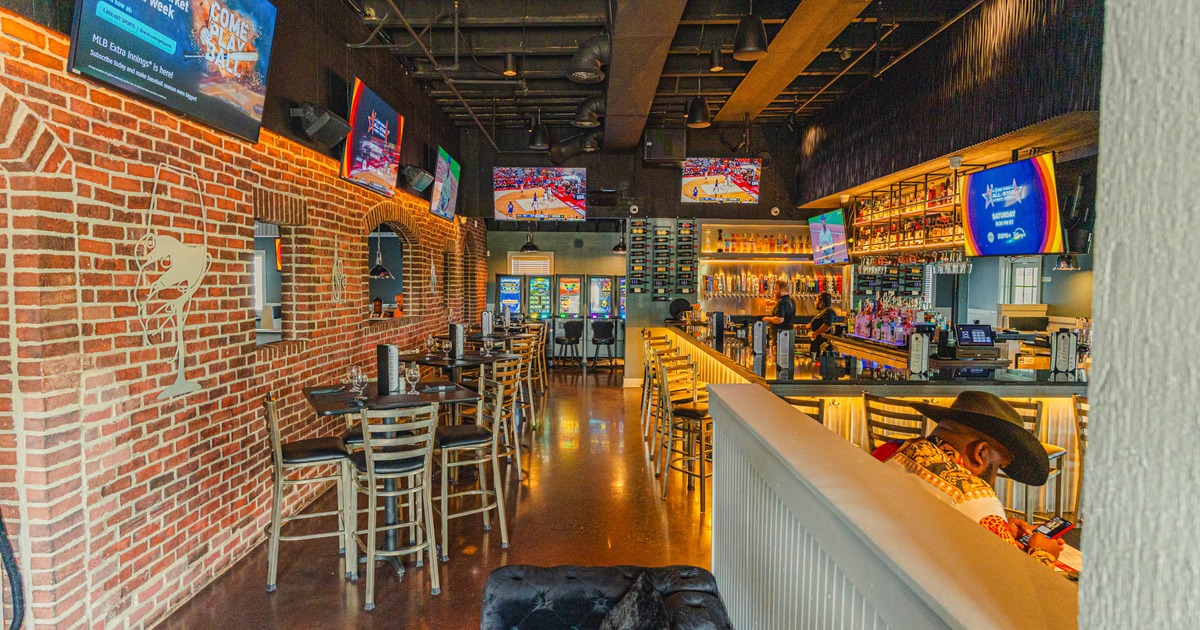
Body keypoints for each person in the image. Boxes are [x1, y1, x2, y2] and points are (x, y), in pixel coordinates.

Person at [879, 391, 1063, 569]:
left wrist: (1001, 527)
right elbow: (1016, 591)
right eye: (998, 465)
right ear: (980, 452)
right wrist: (1042, 553)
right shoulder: (975, 499)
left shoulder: (895, 451)